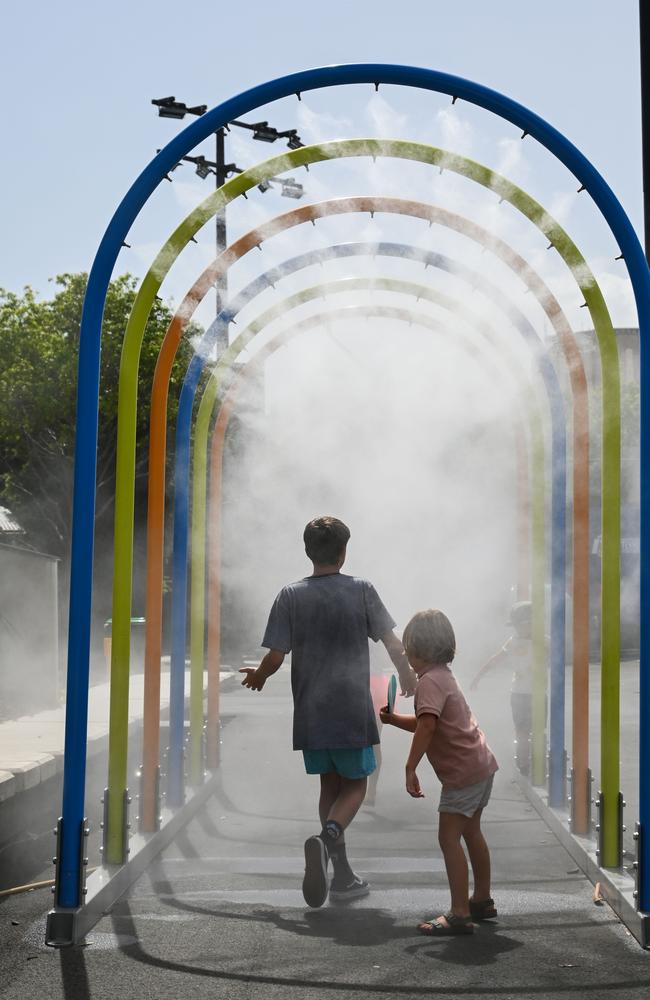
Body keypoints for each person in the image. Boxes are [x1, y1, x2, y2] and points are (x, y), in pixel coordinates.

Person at [239, 515, 416, 908]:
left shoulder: (290, 594)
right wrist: (407, 675)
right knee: (356, 784)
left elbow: (275, 655)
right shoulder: (362, 590)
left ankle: (343, 875)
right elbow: (393, 642)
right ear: (344, 551)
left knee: (329, 787)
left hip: (311, 708)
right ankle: (328, 837)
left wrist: (259, 676)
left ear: (307, 551)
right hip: (351, 705)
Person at [380, 608, 498, 936]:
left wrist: (410, 766)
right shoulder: (443, 675)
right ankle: (482, 899)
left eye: (408, 648)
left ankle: (460, 913)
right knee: (471, 831)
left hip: (462, 774)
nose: (405, 654)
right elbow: (423, 721)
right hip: (480, 765)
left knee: (448, 837)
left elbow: (428, 727)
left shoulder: (428, 682)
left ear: (422, 650)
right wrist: (393, 719)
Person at [469, 600, 533, 776]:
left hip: (537, 693)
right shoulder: (514, 642)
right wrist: (478, 676)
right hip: (519, 693)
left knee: (535, 730)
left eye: (521, 625)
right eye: (517, 627)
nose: (519, 630)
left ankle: (531, 760)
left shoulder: (543, 641)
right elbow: (495, 660)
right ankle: (523, 762)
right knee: (522, 731)